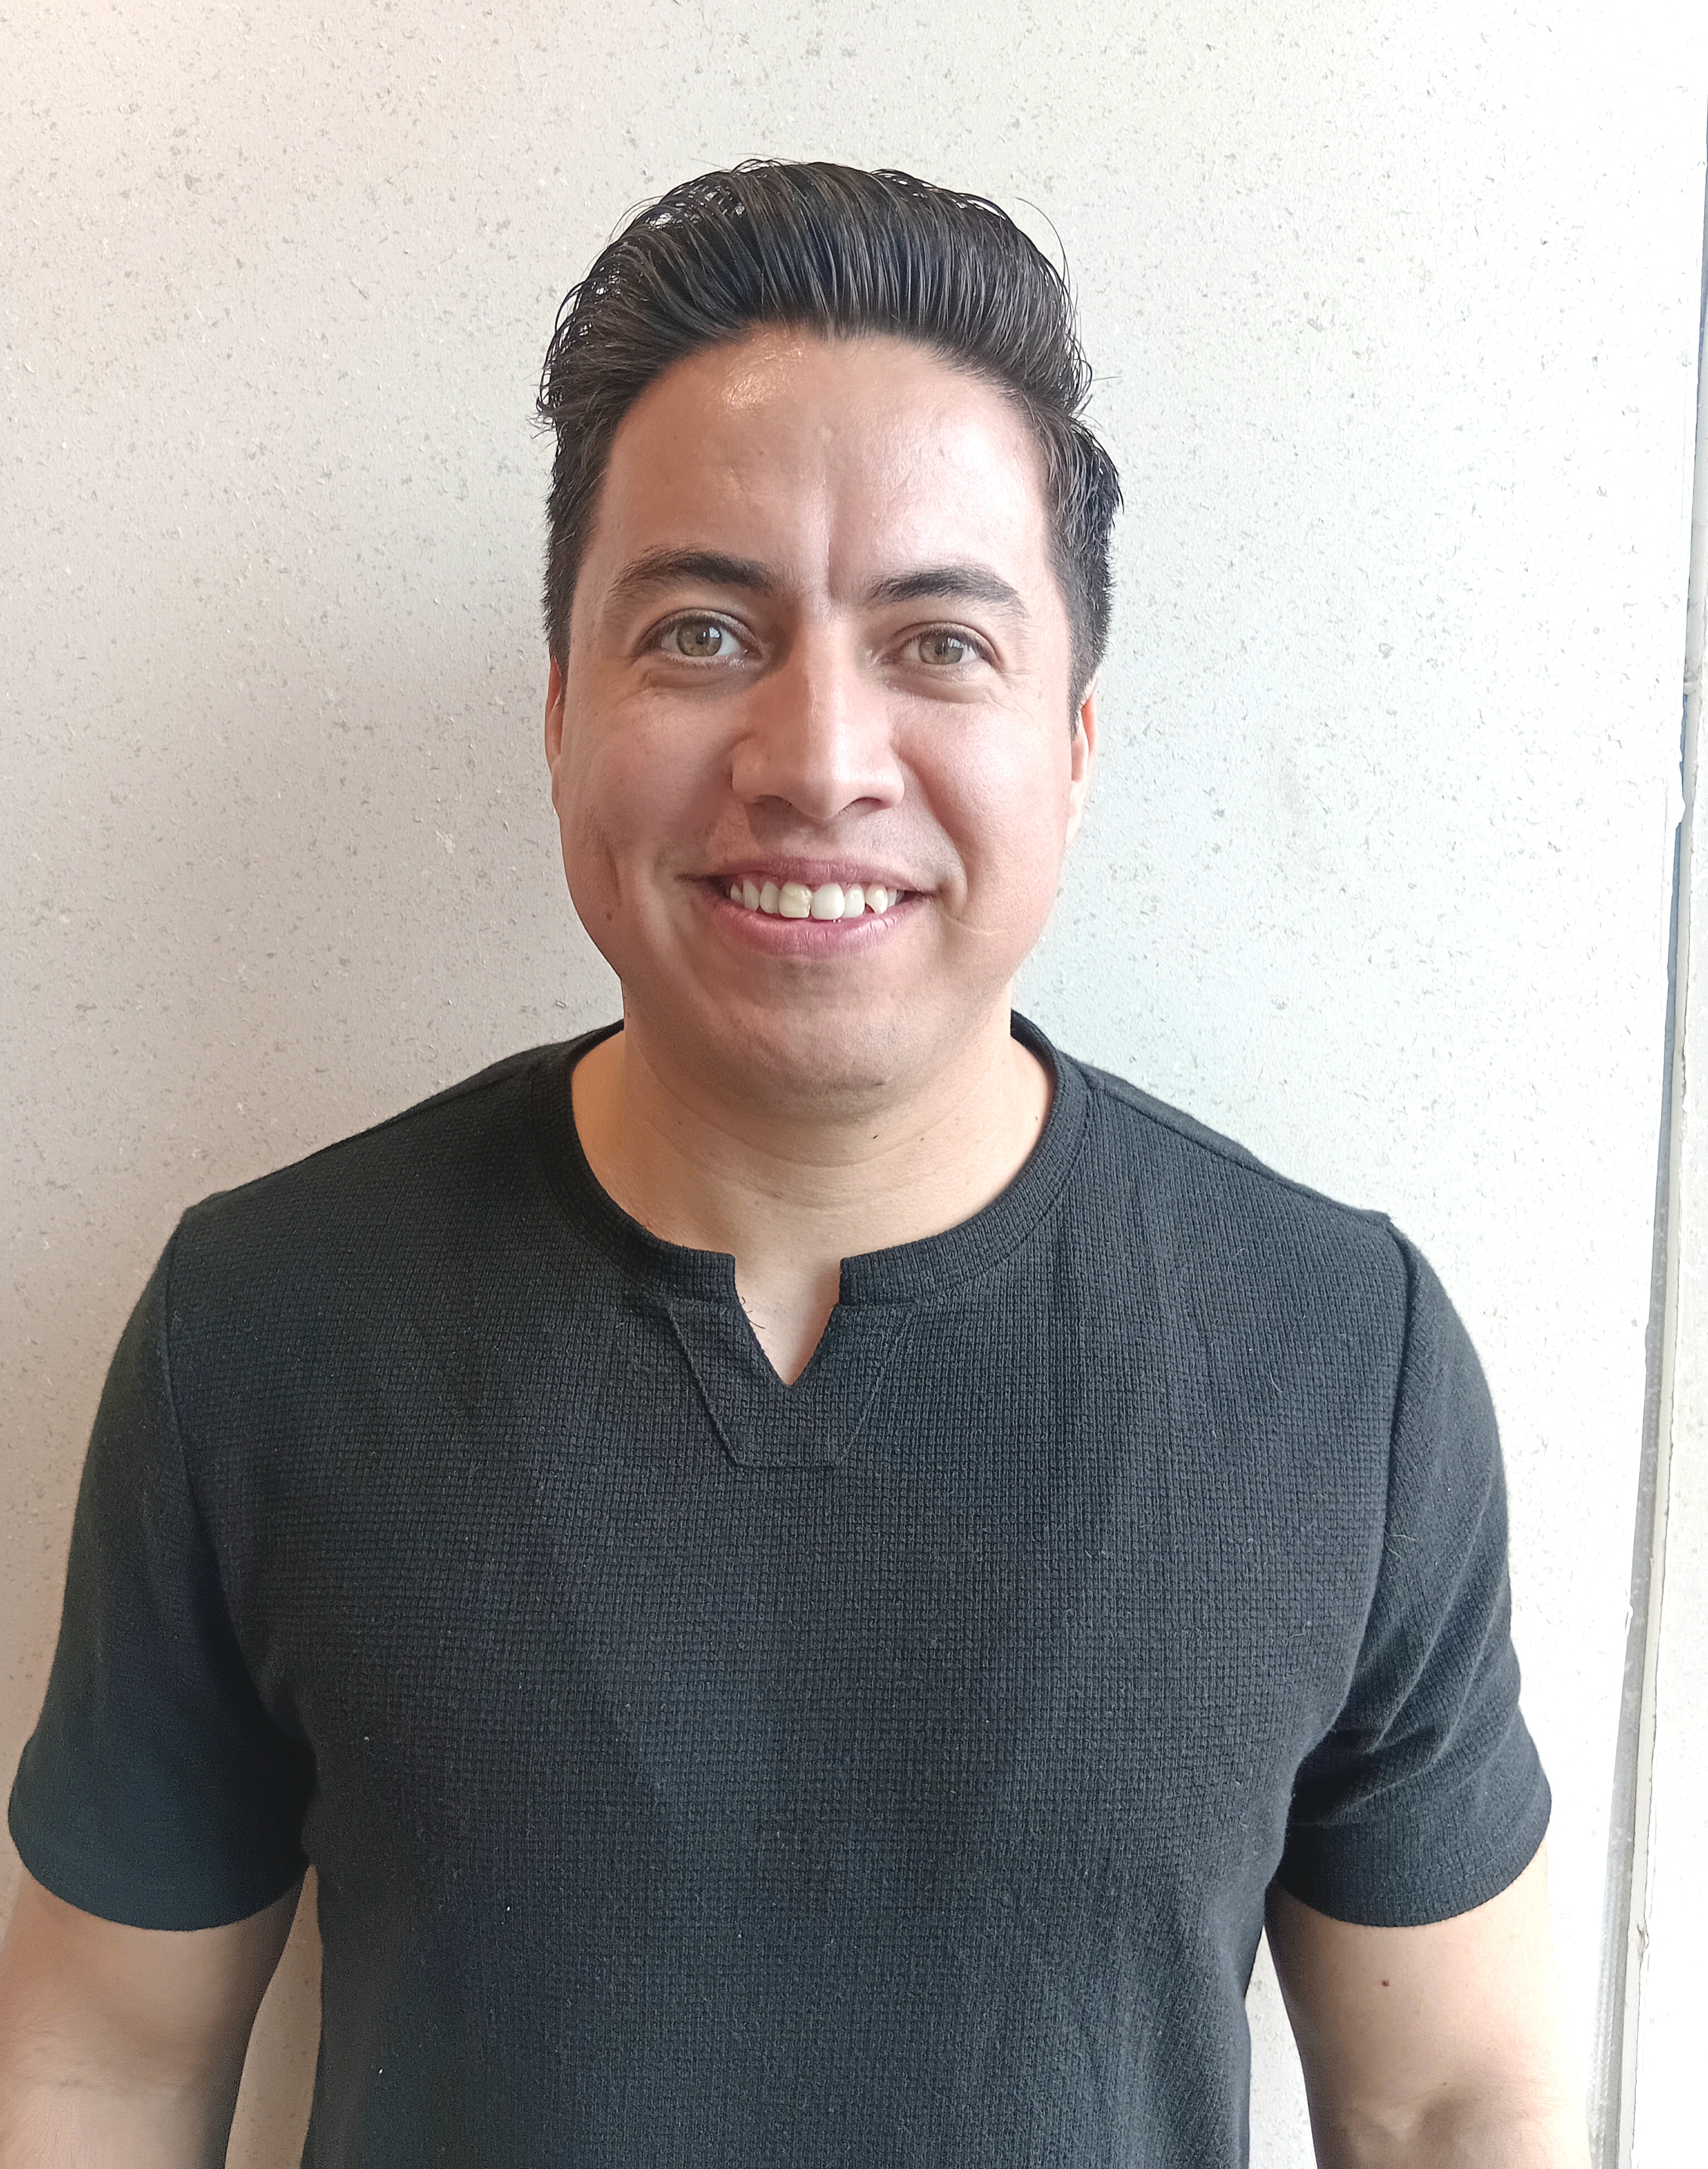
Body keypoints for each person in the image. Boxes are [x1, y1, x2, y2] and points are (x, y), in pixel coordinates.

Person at [0, 161, 1587, 2167]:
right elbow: (105, 2068)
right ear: (561, 713)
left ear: (1072, 745)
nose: (819, 759)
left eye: (938, 643)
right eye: (699, 631)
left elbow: (1451, 2101)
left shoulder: (1335, 1359)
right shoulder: (266, 1325)